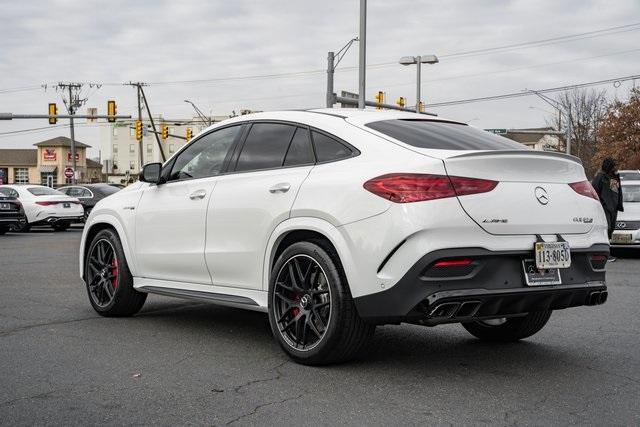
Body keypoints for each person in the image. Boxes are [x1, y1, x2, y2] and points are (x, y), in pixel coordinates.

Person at [591, 157, 624, 261]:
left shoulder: (613, 178)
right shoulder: (600, 177)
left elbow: (615, 193)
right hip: (603, 208)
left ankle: (607, 252)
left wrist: (617, 205)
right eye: (614, 166)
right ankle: (605, 253)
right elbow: (594, 192)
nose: (615, 168)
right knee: (606, 229)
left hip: (612, 209)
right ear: (609, 166)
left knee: (611, 229)